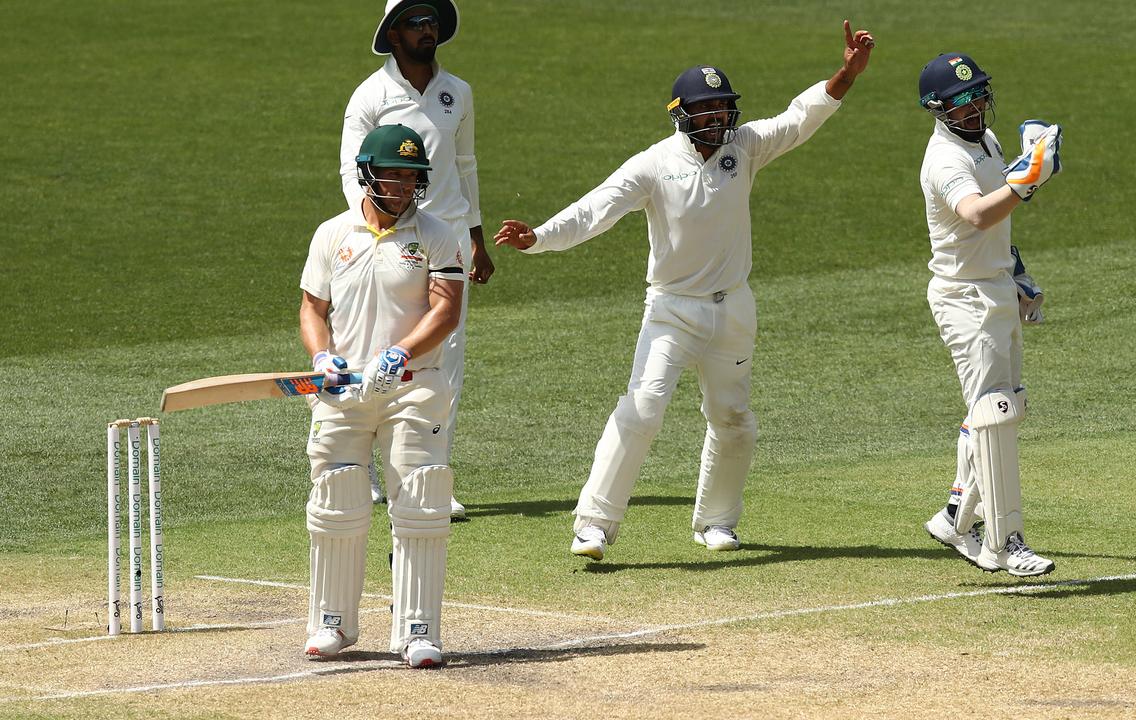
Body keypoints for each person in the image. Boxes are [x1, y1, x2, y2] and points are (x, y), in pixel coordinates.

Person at [494, 22, 876, 561]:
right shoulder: (654, 163)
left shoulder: (742, 147)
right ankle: (594, 525)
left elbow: (797, 119)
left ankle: (717, 522)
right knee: (643, 408)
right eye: (709, 111)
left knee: (734, 418)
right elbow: (595, 210)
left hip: (734, 307)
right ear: (682, 114)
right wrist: (538, 238)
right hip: (672, 310)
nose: (721, 120)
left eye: (725, 109)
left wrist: (846, 74)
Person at [300, 124, 465, 666]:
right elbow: (312, 309)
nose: (401, 186)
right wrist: (322, 357)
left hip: (412, 387)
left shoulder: (438, 234)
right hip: (343, 390)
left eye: (412, 176)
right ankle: (332, 623)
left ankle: (418, 631)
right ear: (367, 172)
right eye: (392, 173)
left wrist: (401, 354)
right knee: (336, 495)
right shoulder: (332, 233)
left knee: (419, 499)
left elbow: (446, 309)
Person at [341, 0, 492, 515]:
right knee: (375, 353)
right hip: (386, 241)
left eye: (431, 22)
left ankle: (430, 480)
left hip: (445, 240)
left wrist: (476, 236)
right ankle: (360, 474)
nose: (427, 30)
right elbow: (350, 173)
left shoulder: (459, 92)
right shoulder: (370, 95)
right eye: (415, 22)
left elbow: (465, 166)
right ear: (393, 31)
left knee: (443, 364)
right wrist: (375, 232)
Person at [915, 51, 1062, 577]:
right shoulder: (944, 158)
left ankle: (956, 517)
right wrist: (1027, 182)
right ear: (938, 108)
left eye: (977, 93)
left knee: (1003, 410)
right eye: (960, 99)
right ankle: (1004, 543)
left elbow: (998, 229)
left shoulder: (986, 140)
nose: (973, 105)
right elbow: (977, 215)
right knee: (994, 411)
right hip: (964, 298)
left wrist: (1018, 277)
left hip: (996, 287)